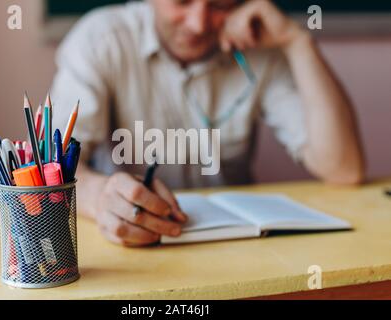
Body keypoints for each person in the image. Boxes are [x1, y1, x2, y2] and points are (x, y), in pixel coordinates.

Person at [51, 0, 364, 247]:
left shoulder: (257, 48)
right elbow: (52, 168)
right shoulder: (100, 40)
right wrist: (100, 196)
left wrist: (297, 42)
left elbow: (343, 168)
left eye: (220, 5)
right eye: (182, 1)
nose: (198, 24)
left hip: (238, 252)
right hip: (126, 246)